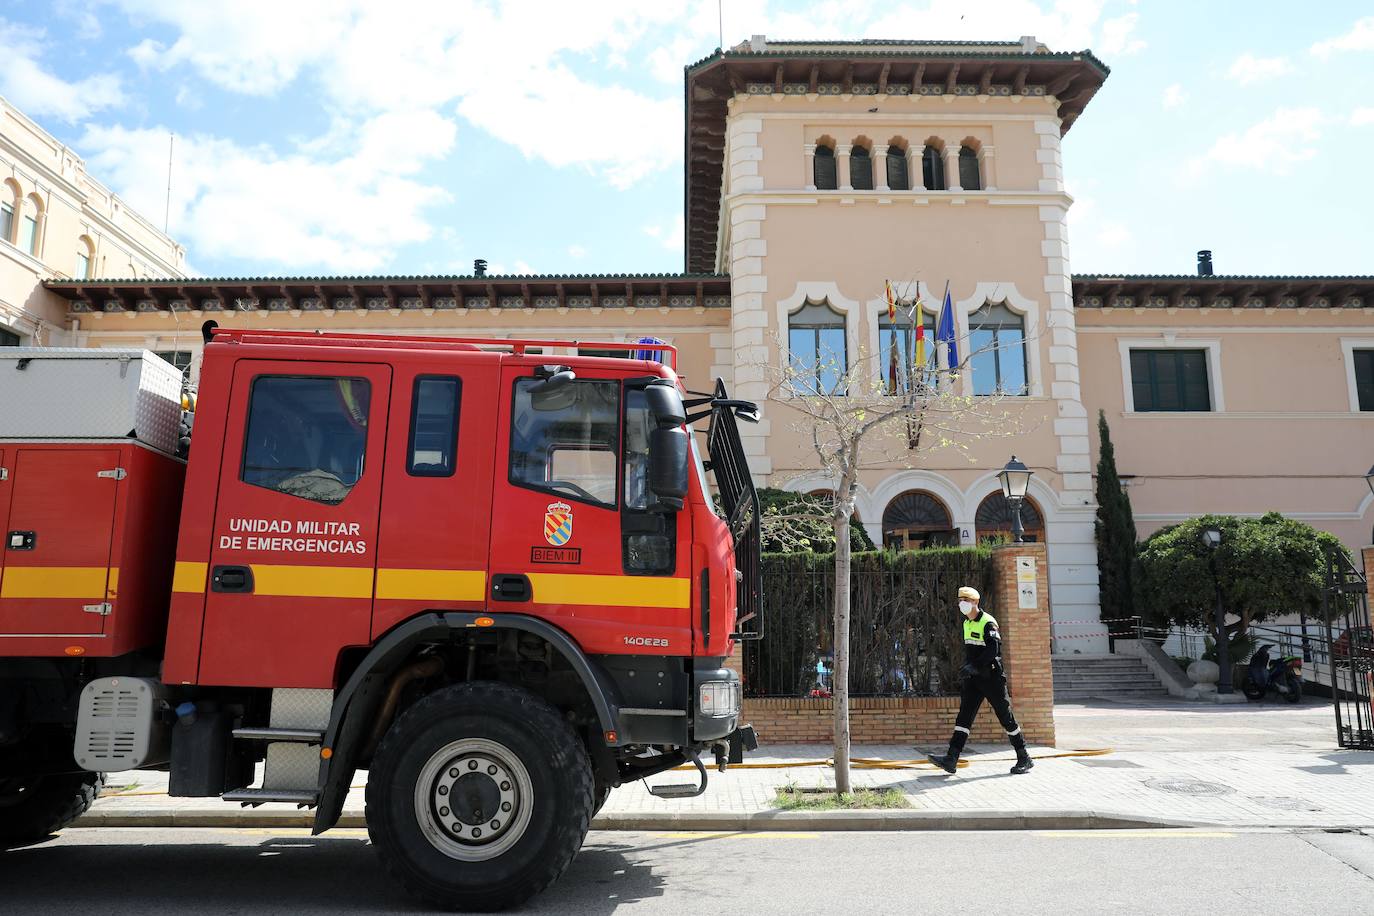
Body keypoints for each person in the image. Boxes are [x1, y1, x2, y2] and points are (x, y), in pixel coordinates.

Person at [927, 586, 1034, 776]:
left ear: (976, 602)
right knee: (964, 718)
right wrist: (967, 668)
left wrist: (975, 665)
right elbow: (971, 649)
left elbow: (993, 651)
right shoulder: (966, 623)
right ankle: (951, 758)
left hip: (992, 678)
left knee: (1005, 716)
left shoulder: (988, 622)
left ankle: (1023, 756)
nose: (962, 604)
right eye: (960, 600)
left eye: (966, 600)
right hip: (974, 679)